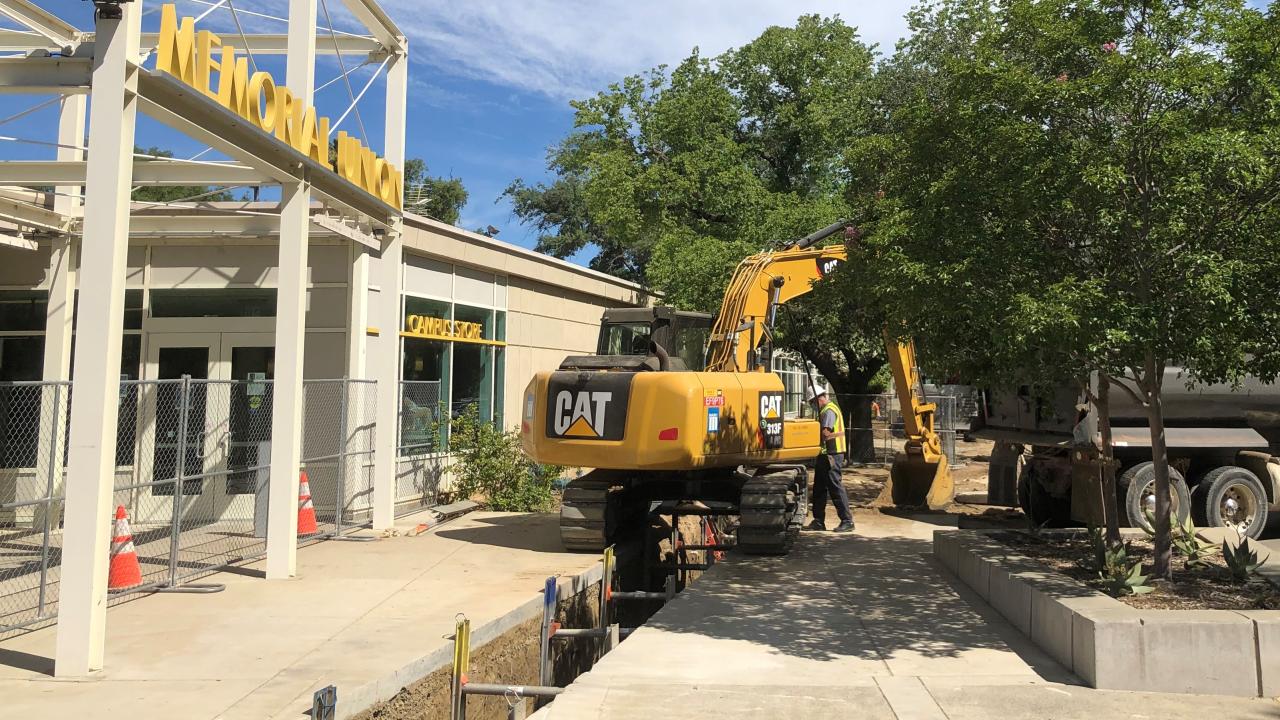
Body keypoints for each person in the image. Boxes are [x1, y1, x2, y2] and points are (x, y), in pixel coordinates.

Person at [806, 385, 855, 533]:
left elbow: (825, 433)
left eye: (812, 403)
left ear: (818, 399)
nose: (812, 406)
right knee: (819, 487)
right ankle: (818, 520)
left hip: (832, 454)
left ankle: (847, 520)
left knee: (834, 485)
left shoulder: (828, 411)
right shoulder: (824, 410)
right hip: (825, 454)